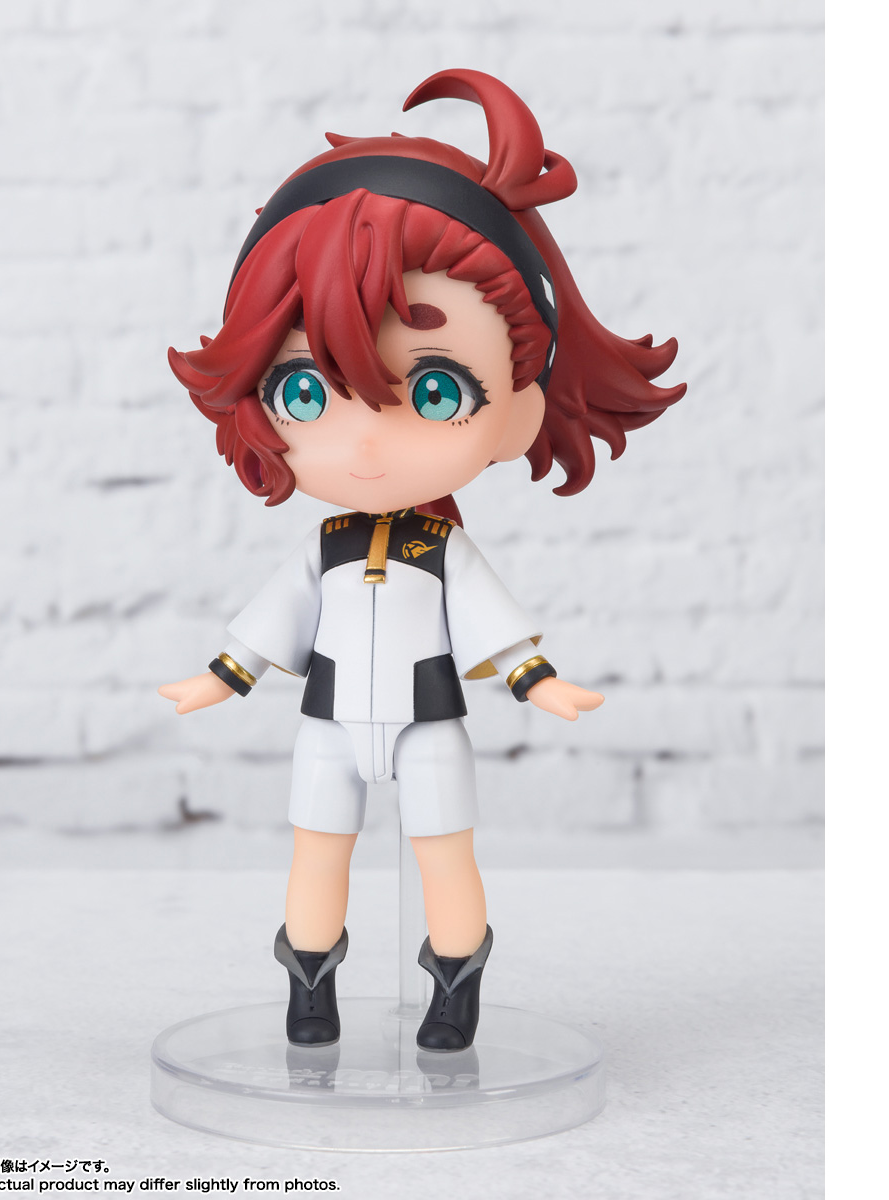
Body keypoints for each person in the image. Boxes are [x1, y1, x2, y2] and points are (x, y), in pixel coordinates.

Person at [160, 69, 685, 1052]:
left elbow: (499, 632)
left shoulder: (444, 553)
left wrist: (539, 681)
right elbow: (270, 627)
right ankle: (308, 983)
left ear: (516, 414)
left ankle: (454, 985)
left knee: (445, 858)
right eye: (306, 393)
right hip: (328, 723)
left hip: (429, 720)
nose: (366, 442)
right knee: (317, 856)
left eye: (436, 392)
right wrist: (220, 677)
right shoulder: (324, 549)